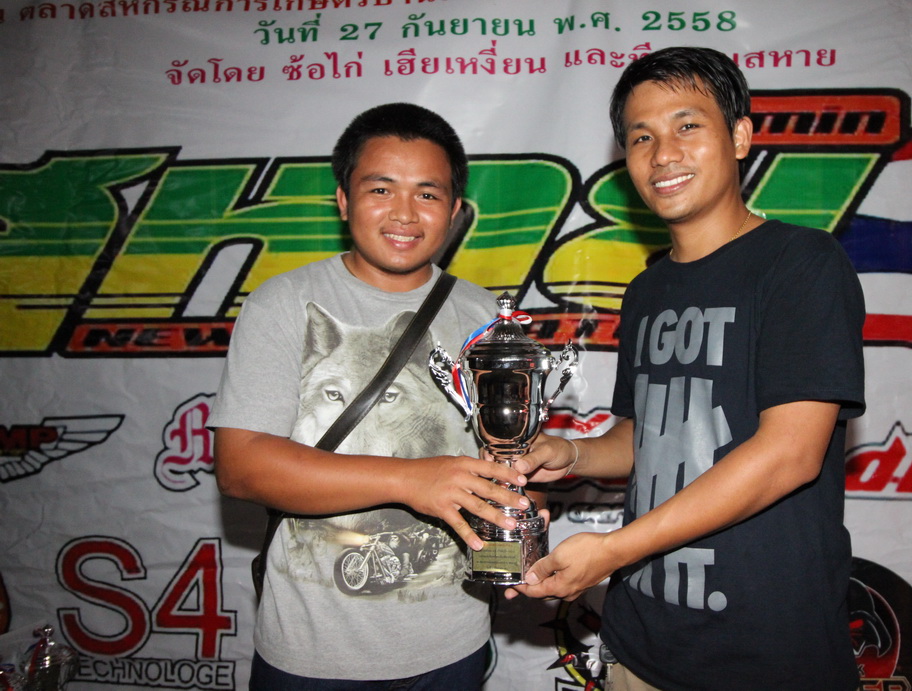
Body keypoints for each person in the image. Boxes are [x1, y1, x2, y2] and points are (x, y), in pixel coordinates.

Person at [507, 47, 866, 690]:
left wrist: (612, 551)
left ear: (740, 137)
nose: (663, 153)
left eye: (687, 125)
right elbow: (645, 435)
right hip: (640, 643)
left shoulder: (801, 262)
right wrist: (572, 454)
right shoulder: (648, 289)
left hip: (767, 656)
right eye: (641, 137)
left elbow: (790, 455)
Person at [210, 102, 531, 690]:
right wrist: (411, 480)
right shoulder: (282, 303)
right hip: (312, 652)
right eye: (381, 189)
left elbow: (499, 456)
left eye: (428, 194)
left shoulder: (483, 314)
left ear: (454, 210)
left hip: (453, 640)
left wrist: (512, 519)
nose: (404, 213)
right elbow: (240, 466)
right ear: (343, 199)